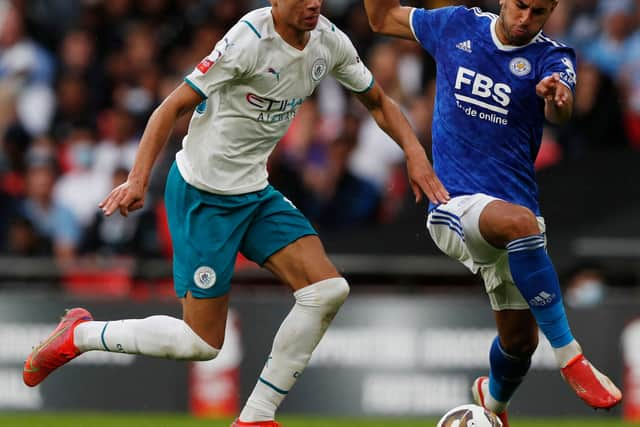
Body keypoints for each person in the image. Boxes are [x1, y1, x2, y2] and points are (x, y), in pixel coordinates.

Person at [22, 1, 449, 426]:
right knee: (202, 344)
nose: (314, 3)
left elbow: (377, 101)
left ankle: (256, 417)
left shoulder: (329, 41)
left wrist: (415, 154)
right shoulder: (248, 41)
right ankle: (79, 335)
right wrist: (138, 180)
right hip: (202, 195)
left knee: (328, 289)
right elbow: (169, 108)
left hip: (254, 192)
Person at [362, 0, 622, 426]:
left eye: (538, 12)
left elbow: (563, 106)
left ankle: (492, 405)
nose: (525, 19)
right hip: (453, 204)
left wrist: (557, 97)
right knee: (519, 225)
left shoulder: (552, 57)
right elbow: (380, 17)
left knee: (519, 344)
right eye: (520, 6)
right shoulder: (455, 25)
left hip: (510, 222)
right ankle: (571, 357)